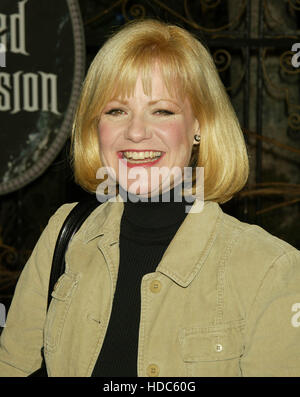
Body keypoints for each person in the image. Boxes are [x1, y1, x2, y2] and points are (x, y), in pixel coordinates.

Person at [0, 18, 300, 377]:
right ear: (96, 127)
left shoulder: (271, 269)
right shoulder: (64, 235)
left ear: (199, 125)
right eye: (116, 111)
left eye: (162, 111)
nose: (136, 132)